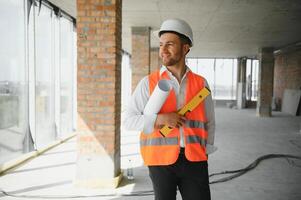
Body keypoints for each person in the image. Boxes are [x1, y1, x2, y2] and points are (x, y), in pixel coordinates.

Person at [123, 18, 215, 200]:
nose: (163, 50)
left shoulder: (200, 83)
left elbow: (209, 121)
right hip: (160, 162)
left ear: (185, 48)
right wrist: (161, 119)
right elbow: (129, 121)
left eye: (170, 44)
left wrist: (206, 150)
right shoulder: (148, 83)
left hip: (195, 159)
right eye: (161, 45)